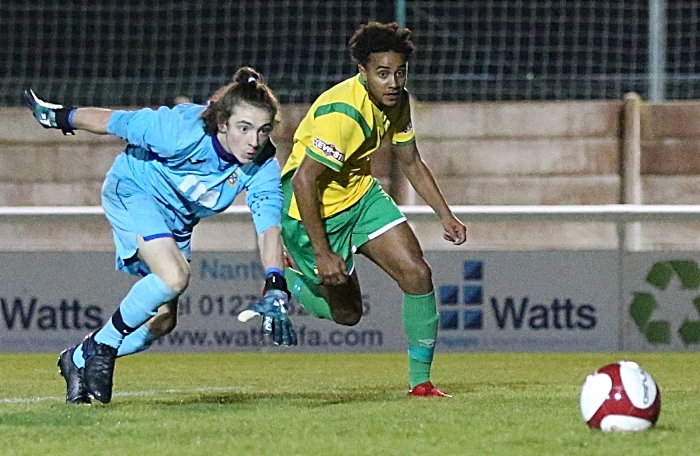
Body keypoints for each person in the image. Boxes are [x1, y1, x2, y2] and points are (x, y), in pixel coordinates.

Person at [23, 67, 297, 405]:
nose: (254, 141)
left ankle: (78, 358)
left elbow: (268, 226)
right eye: (244, 128)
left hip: (177, 221)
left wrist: (275, 281)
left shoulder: (262, 165)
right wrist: (59, 116)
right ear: (223, 123)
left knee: (163, 319)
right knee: (175, 275)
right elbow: (115, 121)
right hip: (133, 191)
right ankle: (101, 347)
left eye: (263, 130)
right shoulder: (179, 130)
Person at [281, 21, 467, 397]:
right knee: (348, 315)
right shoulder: (343, 114)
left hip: (360, 195)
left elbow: (411, 161)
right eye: (383, 74)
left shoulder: (398, 103)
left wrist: (445, 215)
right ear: (362, 71)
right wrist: (322, 252)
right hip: (312, 211)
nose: (393, 82)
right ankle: (291, 276)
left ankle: (421, 384)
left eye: (399, 73)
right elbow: (304, 180)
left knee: (417, 273)